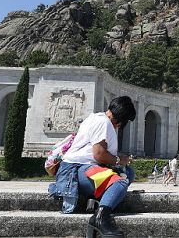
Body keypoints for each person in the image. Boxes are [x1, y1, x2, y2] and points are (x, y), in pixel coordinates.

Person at [51, 96, 136, 238]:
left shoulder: (96, 118)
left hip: (79, 169)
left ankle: (97, 198)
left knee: (128, 173)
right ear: (121, 119)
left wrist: (120, 162)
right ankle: (100, 217)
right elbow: (99, 154)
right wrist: (119, 160)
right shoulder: (104, 122)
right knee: (120, 181)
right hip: (77, 170)